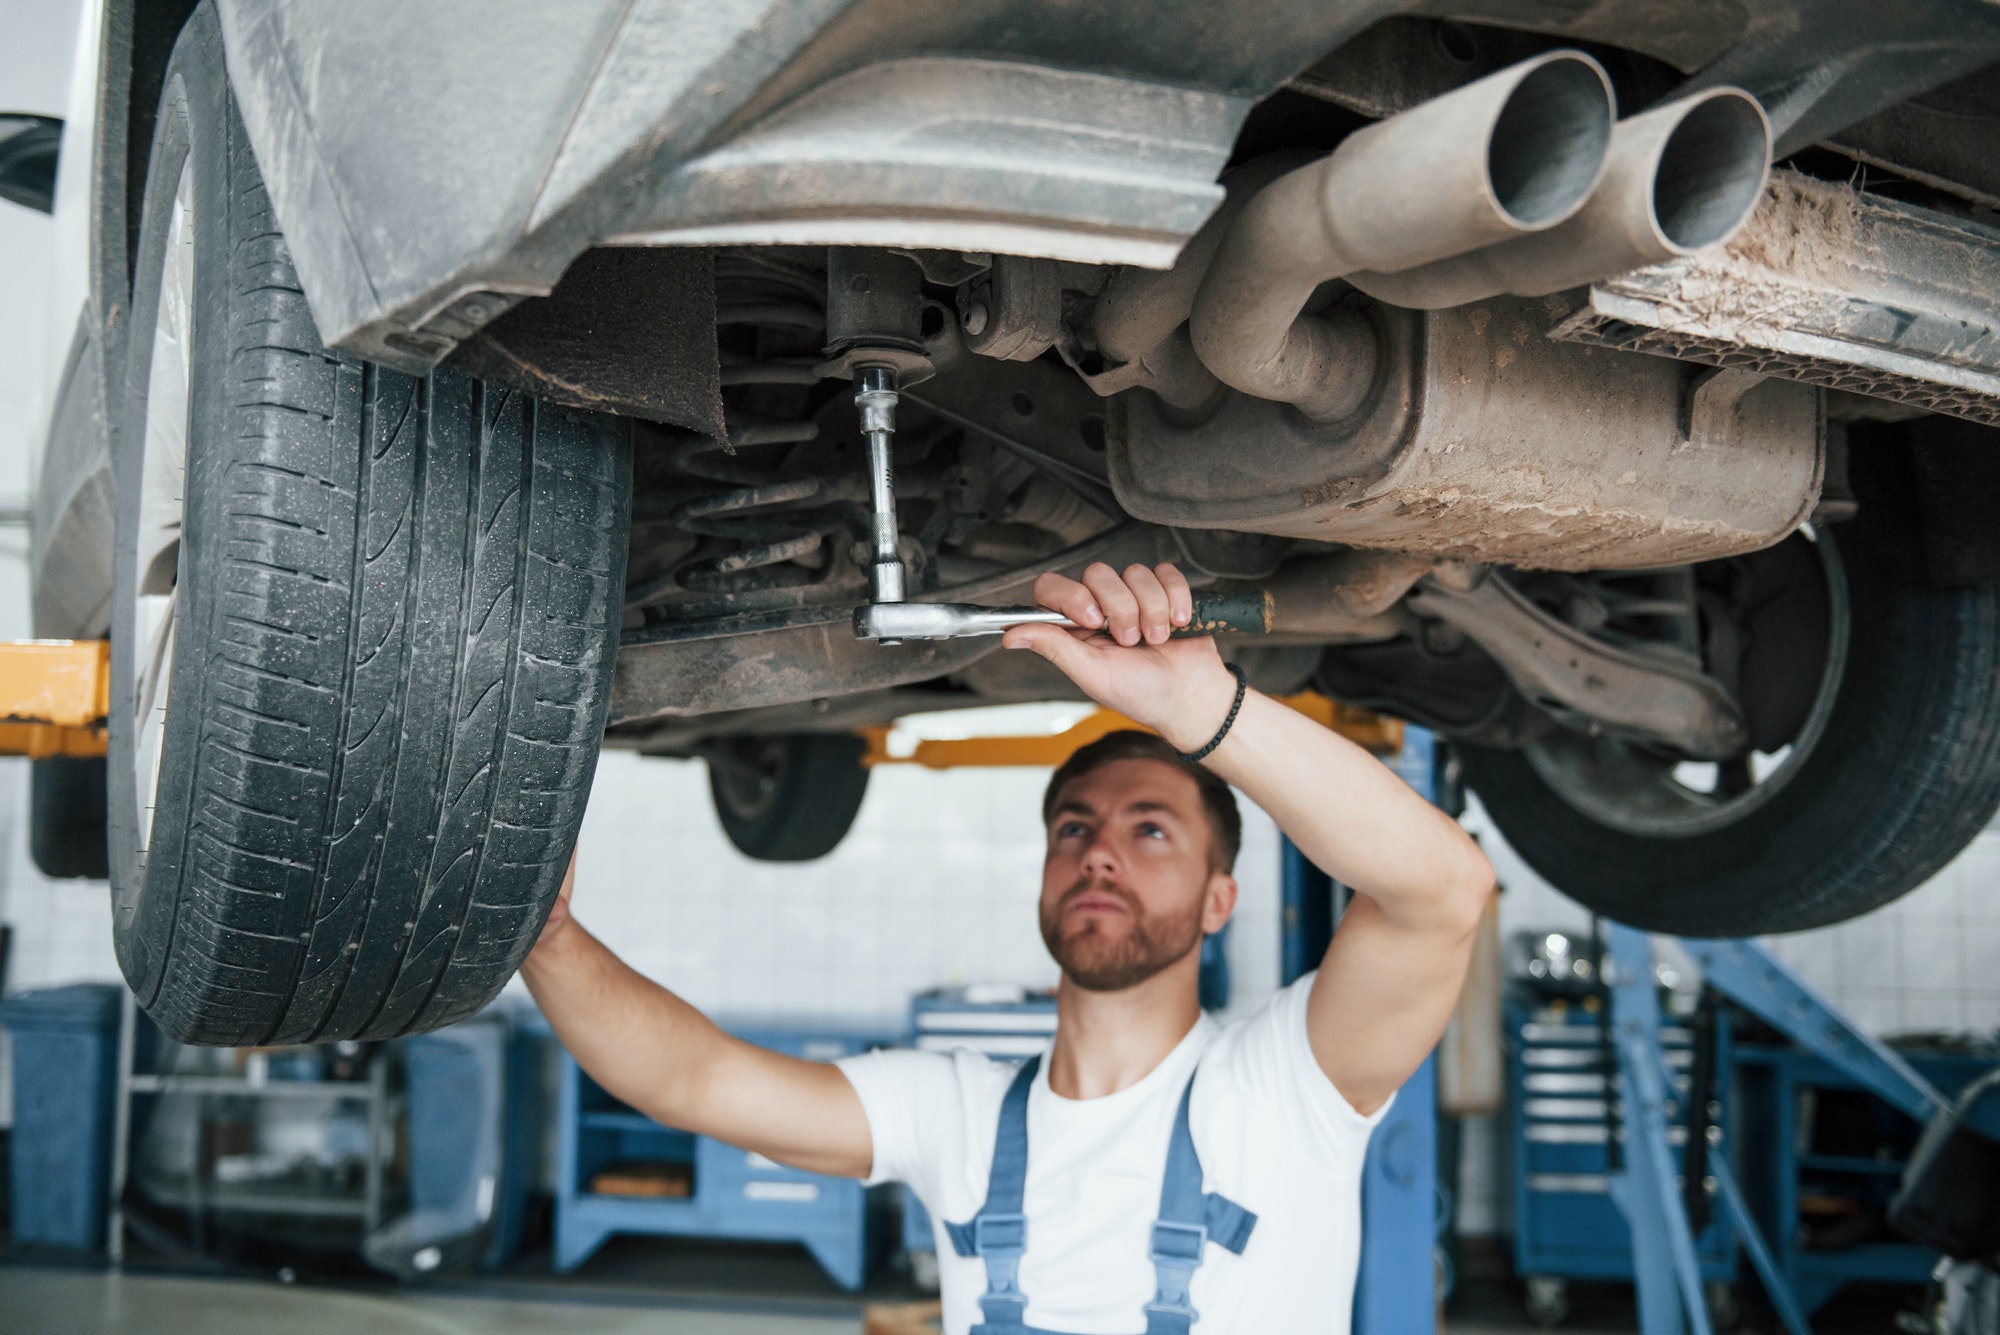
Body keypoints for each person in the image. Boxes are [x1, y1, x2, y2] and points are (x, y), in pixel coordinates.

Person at [524, 561, 1495, 1334]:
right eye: (1073, 828)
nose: (1100, 853)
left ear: (1218, 900)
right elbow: (693, 1082)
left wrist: (1204, 711)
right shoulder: (959, 1114)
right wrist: (539, 930)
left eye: (1149, 829)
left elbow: (1440, 891)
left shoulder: (1284, 1091)